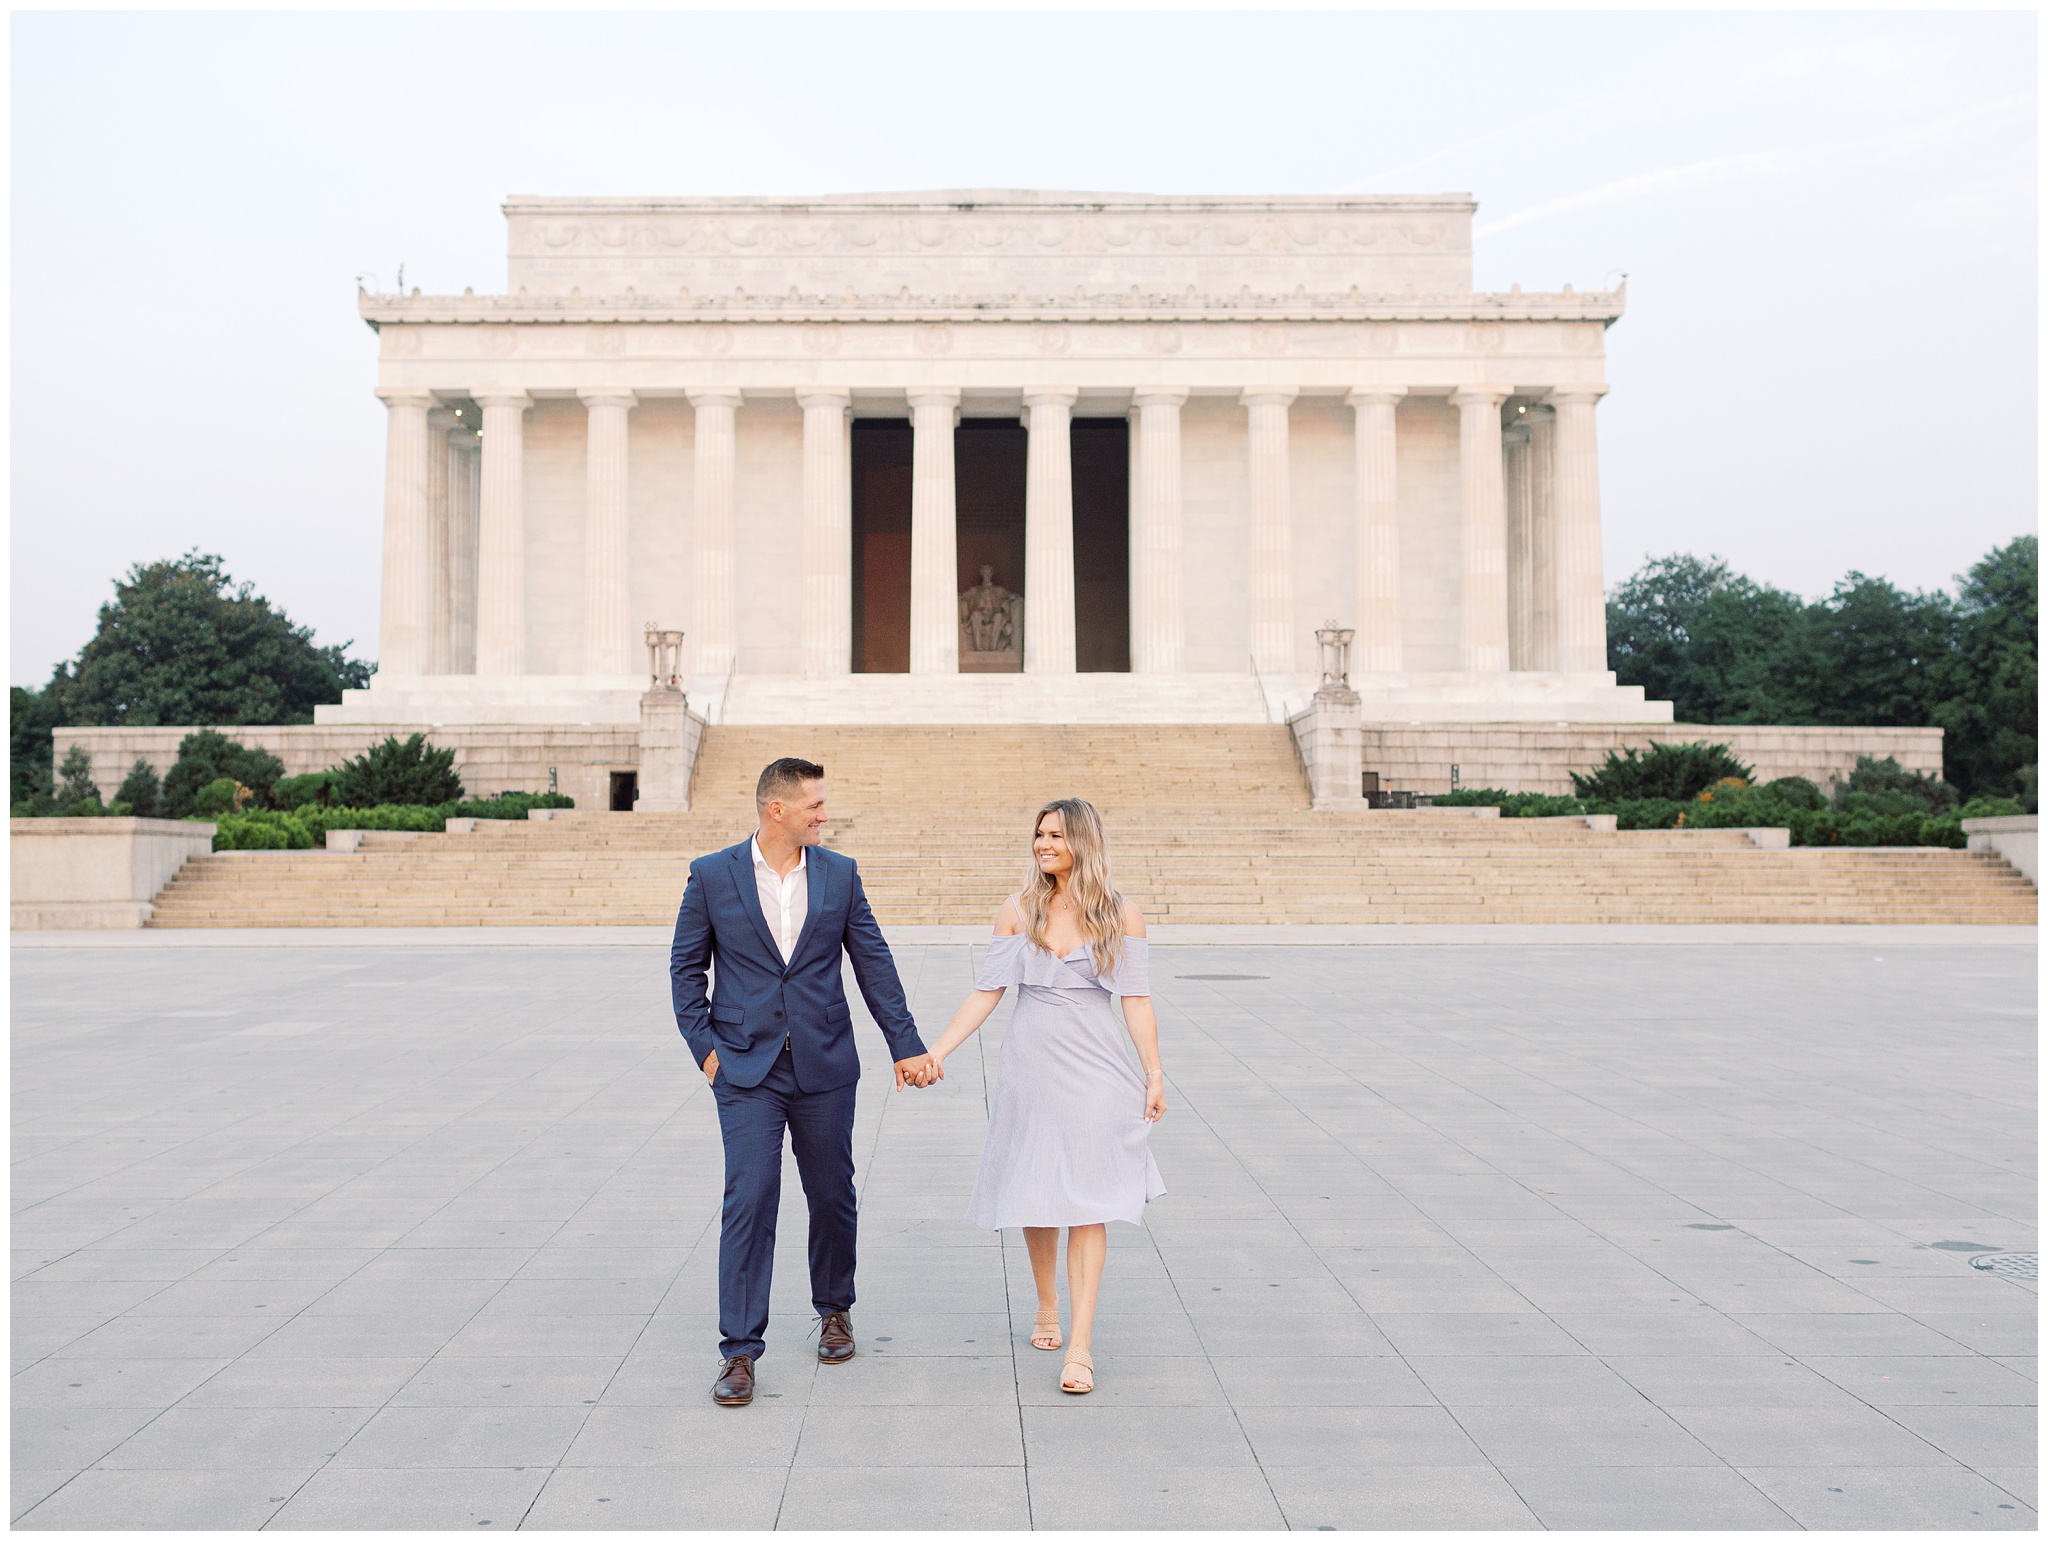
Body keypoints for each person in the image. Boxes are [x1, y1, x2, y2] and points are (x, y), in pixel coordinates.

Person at [669, 756, 939, 1407]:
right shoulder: (712, 875)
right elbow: (685, 970)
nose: (824, 814)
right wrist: (708, 1054)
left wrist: (906, 1044)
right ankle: (738, 1350)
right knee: (751, 1196)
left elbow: (874, 961)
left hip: (824, 1065)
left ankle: (835, 1307)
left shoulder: (841, 875)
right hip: (745, 1070)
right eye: (815, 805)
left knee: (831, 1193)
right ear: (776, 810)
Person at [918, 797, 1166, 1394]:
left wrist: (1154, 1072)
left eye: (1055, 835)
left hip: (1098, 1070)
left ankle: (1080, 1344)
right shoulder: (1018, 910)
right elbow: (988, 992)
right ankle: (1047, 1301)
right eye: (1038, 835)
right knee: (1035, 1186)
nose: (1043, 844)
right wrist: (938, 1050)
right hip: (1030, 1065)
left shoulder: (1121, 914)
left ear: (1083, 840)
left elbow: (1135, 998)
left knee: (1089, 1198)